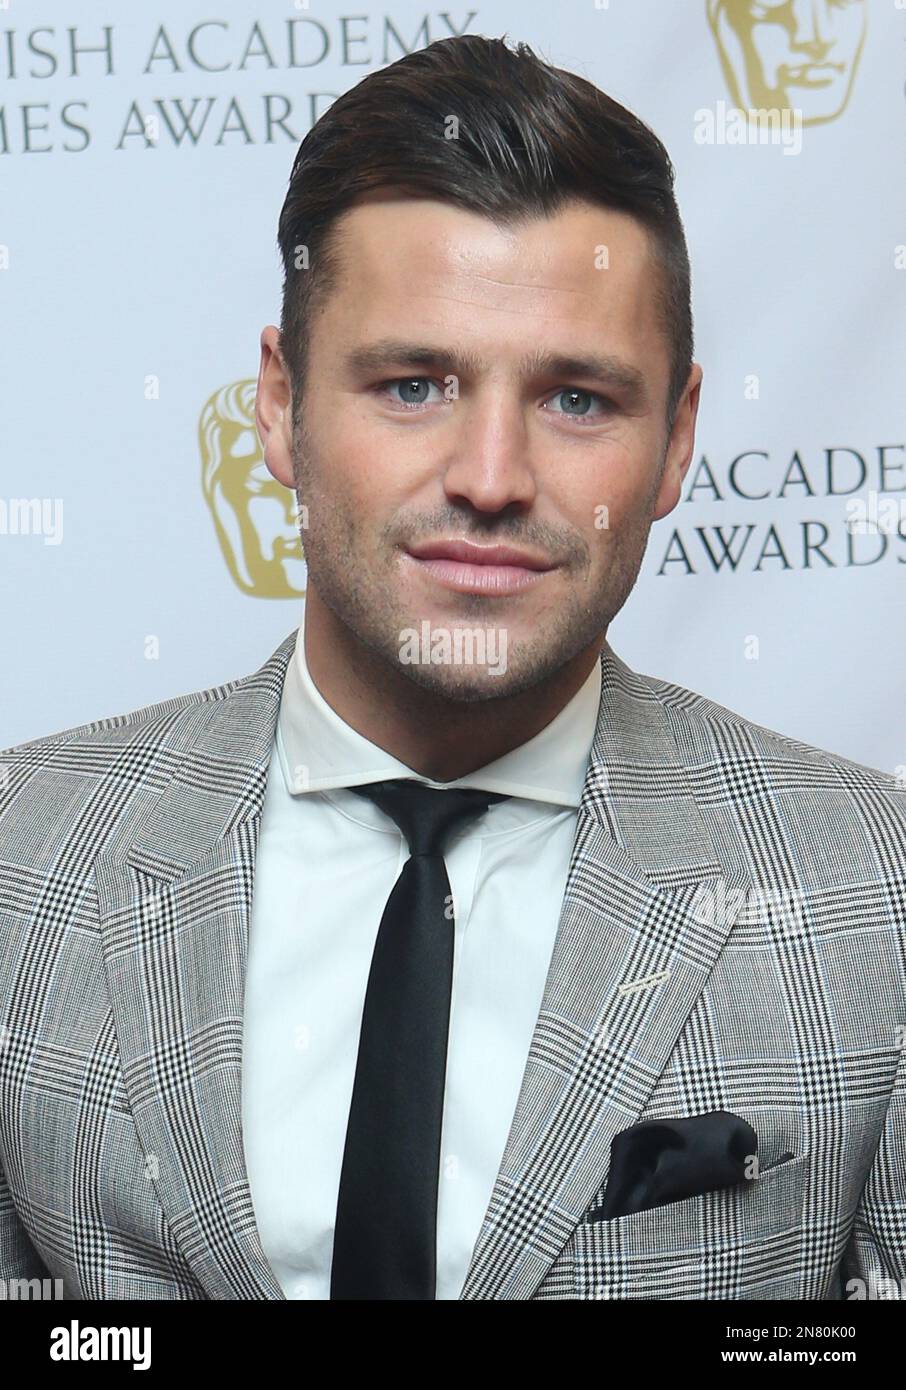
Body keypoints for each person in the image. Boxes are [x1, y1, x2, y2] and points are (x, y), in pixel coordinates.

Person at [1, 33, 903, 1303]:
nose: (491, 475)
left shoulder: (878, 893)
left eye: (578, 397)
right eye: (414, 383)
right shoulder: (20, 860)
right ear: (278, 403)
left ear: (677, 438)